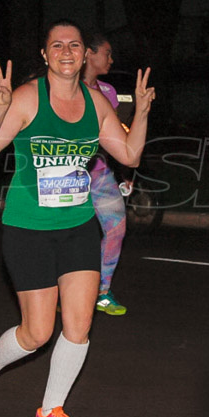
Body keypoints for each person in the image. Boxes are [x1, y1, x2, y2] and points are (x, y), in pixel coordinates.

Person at [0, 20, 155, 417]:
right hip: (28, 229)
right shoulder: (29, 98)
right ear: (45, 55)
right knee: (37, 333)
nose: (67, 51)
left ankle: (50, 411)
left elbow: (131, 155)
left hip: (79, 226)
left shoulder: (97, 105)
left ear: (85, 55)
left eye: (75, 45)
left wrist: (140, 112)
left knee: (79, 326)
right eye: (57, 45)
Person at [82, 33, 129, 316]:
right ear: (89, 53)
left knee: (116, 228)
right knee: (68, 234)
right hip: (67, 177)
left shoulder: (108, 93)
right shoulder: (65, 90)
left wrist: (124, 171)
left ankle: (101, 291)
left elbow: (114, 138)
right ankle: (60, 289)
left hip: (100, 174)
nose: (111, 60)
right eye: (107, 53)